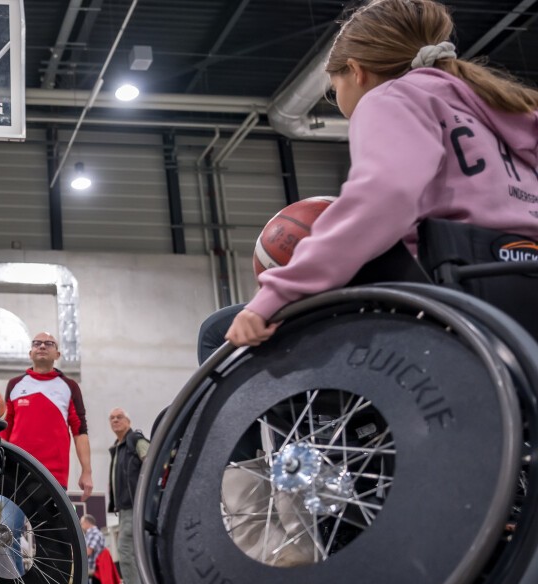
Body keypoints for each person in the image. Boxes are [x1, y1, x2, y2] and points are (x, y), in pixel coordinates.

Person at [218, 0, 538, 352]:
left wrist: (278, 294)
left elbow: (385, 196)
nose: (338, 97)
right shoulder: (508, 106)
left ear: (357, 71)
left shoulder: (389, 97)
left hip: (455, 289)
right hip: (522, 290)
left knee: (219, 330)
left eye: (334, 88)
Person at [0, 333, 92, 501]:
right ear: (30, 353)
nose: (42, 346)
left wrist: (87, 472)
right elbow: (5, 430)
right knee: (10, 527)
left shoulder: (70, 386)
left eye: (48, 343)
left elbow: (80, 431)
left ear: (57, 354)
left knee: (50, 527)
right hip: (16, 470)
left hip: (53, 474)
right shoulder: (14, 385)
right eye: (37, 343)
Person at [106, 408, 149, 584]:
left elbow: (151, 461)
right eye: (112, 418)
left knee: (125, 548)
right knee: (128, 551)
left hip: (135, 506)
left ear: (128, 420)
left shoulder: (135, 440)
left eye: (119, 417)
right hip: (124, 508)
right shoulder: (119, 447)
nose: (115, 420)